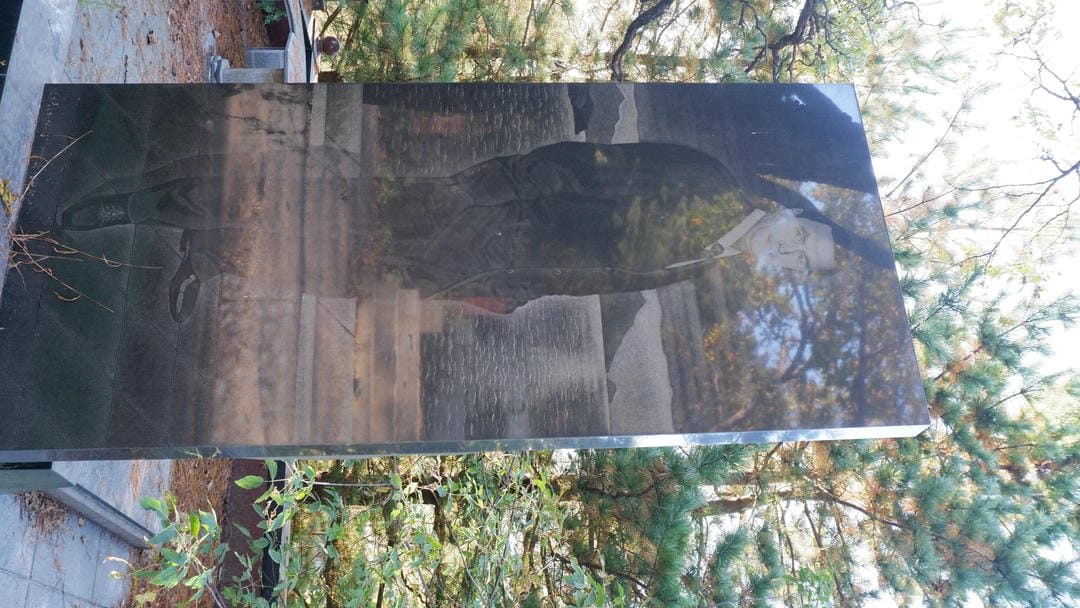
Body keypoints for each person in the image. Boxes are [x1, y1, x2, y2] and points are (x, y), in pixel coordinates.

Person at [58, 141, 838, 318]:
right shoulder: (708, 183)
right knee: (310, 201)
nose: (785, 266)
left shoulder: (704, 262)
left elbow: (601, 274)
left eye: (797, 271)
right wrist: (483, 188)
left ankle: (215, 256)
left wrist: (513, 295)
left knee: (337, 271)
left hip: (489, 268)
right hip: (484, 211)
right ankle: (137, 201)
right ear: (793, 223)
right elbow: (590, 166)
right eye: (801, 251)